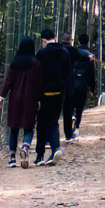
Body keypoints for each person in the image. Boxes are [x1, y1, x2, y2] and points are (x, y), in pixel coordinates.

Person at [0, 37, 42, 168]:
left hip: (15, 99)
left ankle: (11, 158)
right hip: (30, 99)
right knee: (28, 127)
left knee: (14, 128)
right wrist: (38, 99)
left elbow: (8, 82)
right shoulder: (36, 64)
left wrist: (2, 97)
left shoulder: (14, 64)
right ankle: (25, 147)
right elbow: (38, 84)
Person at [35, 28, 70, 165]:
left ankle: (40, 155)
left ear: (44, 40)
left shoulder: (41, 53)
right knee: (53, 122)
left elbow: (37, 76)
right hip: (59, 92)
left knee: (42, 123)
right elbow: (67, 74)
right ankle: (55, 149)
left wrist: (36, 96)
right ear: (55, 37)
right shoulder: (65, 52)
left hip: (44, 93)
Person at [63, 32, 97, 141]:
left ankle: (71, 118)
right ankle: (76, 127)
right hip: (83, 85)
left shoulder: (72, 51)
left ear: (77, 41)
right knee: (80, 107)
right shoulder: (88, 55)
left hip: (71, 83)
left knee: (69, 105)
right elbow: (92, 74)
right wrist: (92, 88)